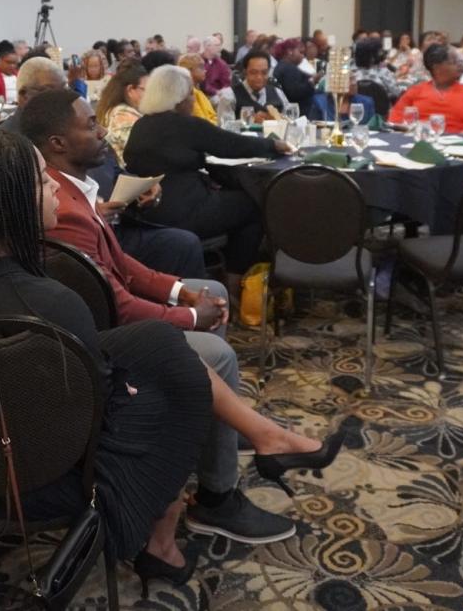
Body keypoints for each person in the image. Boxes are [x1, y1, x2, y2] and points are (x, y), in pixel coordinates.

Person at [24, 90, 356, 544]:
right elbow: (114, 304)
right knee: (216, 353)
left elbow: (123, 265)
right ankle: (218, 497)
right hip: (105, 339)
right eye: (89, 125)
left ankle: (218, 423)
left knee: (213, 289)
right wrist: (188, 318)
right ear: (58, 143)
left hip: (113, 314)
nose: (102, 131)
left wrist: (182, 292)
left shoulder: (74, 187)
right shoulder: (59, 206)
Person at [0, 130, 212, 589]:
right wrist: (126, 388)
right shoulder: (52, 301)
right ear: (10, 202)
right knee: (179, 396)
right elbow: (98, 412)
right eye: (41, 181)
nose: (56, 185)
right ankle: (160, 541)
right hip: (35, 469)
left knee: (160, 344)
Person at [125, 65, 290, 281]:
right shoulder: (187, 125)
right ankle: (235, 279)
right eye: (191, 94)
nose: (194, 100)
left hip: (147, 214)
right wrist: (273, 145)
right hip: (185, 211)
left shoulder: (141, 126)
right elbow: (233, 145)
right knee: (253, 206)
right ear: (179, 99)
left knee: (233, 201)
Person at [391, 44, 463, 138]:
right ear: (436, 67)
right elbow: (395, 118)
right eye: (454, 62)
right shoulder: (416, 91)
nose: (460, 65)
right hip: (419, 141)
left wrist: (456, 141)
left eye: (460, 61)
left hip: (459, 145)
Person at [0, 57, 65, 135]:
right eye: (50, 92)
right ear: (24, 95)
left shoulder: (61, 127)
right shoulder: (6, 140)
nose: (61, 98)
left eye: (64, 90)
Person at [217, 51, 289, 121]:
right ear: (245, 72)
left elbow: (290, 120)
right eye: (254, 72)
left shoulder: (277, 92)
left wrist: (278, 118)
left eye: (264, 73)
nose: (259, 77)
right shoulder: (230, 95)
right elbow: (224, 127)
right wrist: (249, 121)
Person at [96, 62, 148, 158]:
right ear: (130, 90)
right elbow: (142, 151)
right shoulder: (124, 116)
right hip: (130, 171)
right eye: (146, 89)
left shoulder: (116, 109)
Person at [272, 38, 316, 117]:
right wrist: (313, 81)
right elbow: (296, 93)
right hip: (297, 113)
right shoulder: (288, 68)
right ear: (290, 52)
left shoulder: (282, 66)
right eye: (300, 52)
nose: (303, 56)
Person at [353, 36, 402, 101]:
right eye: (379, 51)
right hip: (382, 109)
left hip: (357, 109)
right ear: (373, 56)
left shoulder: (352, 74)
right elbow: (397, 92)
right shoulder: (383, 72)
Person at [176, 54, 217, 123]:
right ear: (188, 70)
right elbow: (201, 121)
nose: (205, 70)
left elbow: (213, 116)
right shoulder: (186, 96)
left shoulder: (199, 93)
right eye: (201, 67)